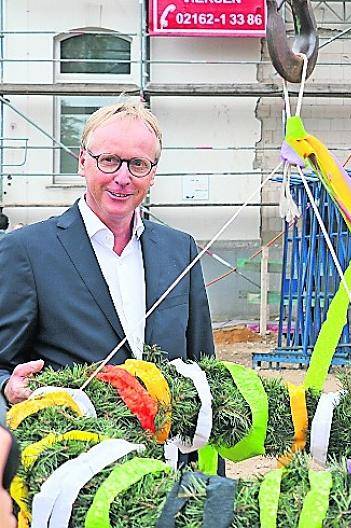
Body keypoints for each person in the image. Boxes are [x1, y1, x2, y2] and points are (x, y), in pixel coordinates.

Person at [0, 100, 215, 407]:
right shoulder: (26, 251)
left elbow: (204, 369)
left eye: (138, 164)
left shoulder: (179, 249)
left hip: (169, 452)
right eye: (109, 160)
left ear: (153, 174)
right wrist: (9, 386)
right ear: (82, 161)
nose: (123, 177)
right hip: (77, 449)